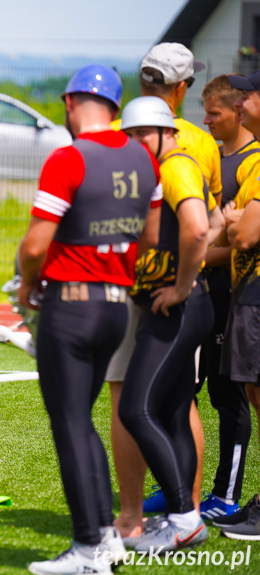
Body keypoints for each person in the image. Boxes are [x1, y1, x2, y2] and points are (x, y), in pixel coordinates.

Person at [17, 66, 160, 575]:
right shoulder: (143, 157)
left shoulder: (69, 157)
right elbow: (150, 235)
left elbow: (36, 244)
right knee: (84, 422)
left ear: (72, 103)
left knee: (72, 423)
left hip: (71, 306)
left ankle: (88, 551)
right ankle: (105, 537)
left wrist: (29, 282)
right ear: (116, 107)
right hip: (116, 306)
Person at [106, 42, 222, 537]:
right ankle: (182, 514)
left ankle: (165, 516)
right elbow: (212, 220)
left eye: (140, 134)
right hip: (161, 294)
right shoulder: (195, 144)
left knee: (132, 404)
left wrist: (179, 284)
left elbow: (198, 227)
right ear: (181, 89)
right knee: (174, 406)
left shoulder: (173, 157)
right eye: (130, 133)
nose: (132, 141)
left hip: (166, 297)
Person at [195, 74, 260, 519]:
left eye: (214, 112)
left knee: (231, 395)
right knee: (183, 391)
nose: (208, 120)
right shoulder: (216, 156)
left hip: (233, 293)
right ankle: (185, 490)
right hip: (213, 291)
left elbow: (241, 234)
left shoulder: (253, 160)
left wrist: (197, 255)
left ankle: (226, 494)